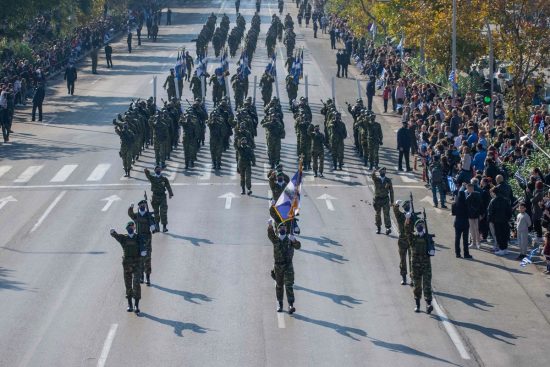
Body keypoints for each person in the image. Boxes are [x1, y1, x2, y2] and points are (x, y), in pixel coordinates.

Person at [110, 222, 146, 313]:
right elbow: (116, 236)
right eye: (129, 227)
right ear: (127, 228)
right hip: (127, 264)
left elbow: (143, 244)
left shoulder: (138, 237)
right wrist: (113, 233)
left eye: (132, 226)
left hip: (137, 263)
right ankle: (130, 304)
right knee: (128, 284)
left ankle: (136, 305)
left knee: (136, 283)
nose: (131, 228)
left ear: (134, 228)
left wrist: (143, 251)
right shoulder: (124, 238)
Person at [267, 222, 301, 314]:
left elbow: (298, 246)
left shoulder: (289, 239)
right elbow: (270, 235)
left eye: (284, 227)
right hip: (278, 267)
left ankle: (291, 305)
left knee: (289, 286)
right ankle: (280, 304)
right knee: (279, 286)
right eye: (280, 227)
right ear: (278, 230)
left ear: (286, 229)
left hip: (288, 266)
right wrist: (270, 226)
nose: (282, 229)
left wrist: (294, 240)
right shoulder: (276, 239)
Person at [128, 200, 157, 285]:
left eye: (144, 205)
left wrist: (153, 227)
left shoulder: (148, 215)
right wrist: (131, 208)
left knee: (147, 259)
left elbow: (153, 223)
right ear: (139, 206)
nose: (143, 206)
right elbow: (130, 214)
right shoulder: (137, 216)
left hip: (147, 239)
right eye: (141, 205)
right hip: (139, 239)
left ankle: (148, 277)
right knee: (140, 259)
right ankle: (141, 276)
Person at [411, 219, 433, 314]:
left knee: (427, 285)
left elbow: (431, 249)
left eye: (422, 225)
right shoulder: (413, 237)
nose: (420, 226)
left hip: (426, 265)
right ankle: (417, 304)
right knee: (417, 285)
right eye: (418, 225)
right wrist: (408, 219)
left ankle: (428, 304)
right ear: (416, 227)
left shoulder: (427, 237)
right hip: (416, 265)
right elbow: (407, 230)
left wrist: (431, 249)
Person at [144, 166, 174, 232]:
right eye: (156, 169)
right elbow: (148, 176)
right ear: (154, 171)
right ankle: (157, 226)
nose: (158, 170)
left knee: (163, 212)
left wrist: (170, 193)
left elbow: (168, 186)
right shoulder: (153, 178)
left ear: (161, 170)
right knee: (156, 212)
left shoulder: (164, 179)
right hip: (155, 197)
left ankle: (164, 227)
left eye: (159, 169)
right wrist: (146, 171)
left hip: (162, 197)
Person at [393, 200, 414, 286]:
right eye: (407, 206)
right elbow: (395, 211)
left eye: (408, 206)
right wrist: (396, 204)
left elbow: (419, 225)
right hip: (402, 241)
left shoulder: (412, 217)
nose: (407, 208)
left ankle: (412, 278)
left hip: (411, 240)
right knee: (403, 260)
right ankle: (404, 277)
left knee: (412, 260)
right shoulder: (401, 216)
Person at [487, 187, 512, 256]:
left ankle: (501, 249)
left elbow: (490, 212)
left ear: (494, 193)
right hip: (505, 220)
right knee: (505, 234)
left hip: (497, 221)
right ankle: (505, 249)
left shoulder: (493, 201)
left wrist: (490, 220)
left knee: (499, 235)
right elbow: (509, 211)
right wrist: (508, 218)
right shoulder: (506, 200)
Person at [372, 167, 394, 235]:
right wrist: (373, 171)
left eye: (384, 171)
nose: (383, 173)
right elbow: (372, 176)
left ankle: (388, 228)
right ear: (379, 172)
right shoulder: (376, 179)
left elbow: (391, 191)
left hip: (385, 199)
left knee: (386, 214)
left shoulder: (388, 180)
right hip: (377, 199)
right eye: (382, 171)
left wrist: (392, 201)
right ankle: (378, 227)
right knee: (378, 214)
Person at [452, 187, 472, 258]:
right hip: (465, 223)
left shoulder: (455, 204)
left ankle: (457, 253)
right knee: (465, 239)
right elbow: (469, 213)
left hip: (457, 222)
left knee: (457, 239)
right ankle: (466, 253)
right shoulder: (467, 204)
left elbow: (453, 213)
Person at [465, 183, 482, 250]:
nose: (467, 190)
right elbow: (481, 204)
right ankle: (478, 243)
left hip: (471, 215)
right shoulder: (478, 194)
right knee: (477, 229)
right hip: (477, 214)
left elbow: (466, 206)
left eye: (467, 188)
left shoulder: (468, 196)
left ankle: (474, 243)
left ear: (470, 188)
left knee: (472, 229)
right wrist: (481, 213)